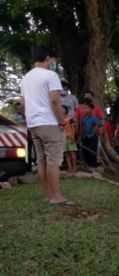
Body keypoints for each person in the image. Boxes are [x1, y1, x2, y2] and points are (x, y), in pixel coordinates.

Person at [19, 46, 71, 205]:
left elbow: (22, 104)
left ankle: (49, 195)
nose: (53, 63)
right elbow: (55, 100)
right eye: (53, 60)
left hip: (34, 123)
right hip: (48, 122)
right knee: (53, 160)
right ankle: (56, 197)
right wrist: (62, 121)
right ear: (48, 58)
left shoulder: (25, 78)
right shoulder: (50, 75)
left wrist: (29, 118)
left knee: (41, 160)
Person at [80, 102, 103, 170]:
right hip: (85, 137)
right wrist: (81, 136)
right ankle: (87, 165)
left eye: (86, 108)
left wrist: (99, 133)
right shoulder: (83, 118)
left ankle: (94, 166)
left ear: (91, 109)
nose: (84, 110)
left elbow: (101, 125)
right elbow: (83, 128)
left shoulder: (94, 118)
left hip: (92, 137)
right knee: (85, 151)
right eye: (84, 108)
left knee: (92, 151)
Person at [62, 105, 77, 172]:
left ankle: (74, 167)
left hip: (70, 137)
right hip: (63, 138)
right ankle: (70, 167)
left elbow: (73, 128)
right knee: (66, 154)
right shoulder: (59, 119)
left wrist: (73, 136)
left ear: (66, 110)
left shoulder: (70, 118)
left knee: (72, 153)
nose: (62, 110)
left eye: (63, 109)